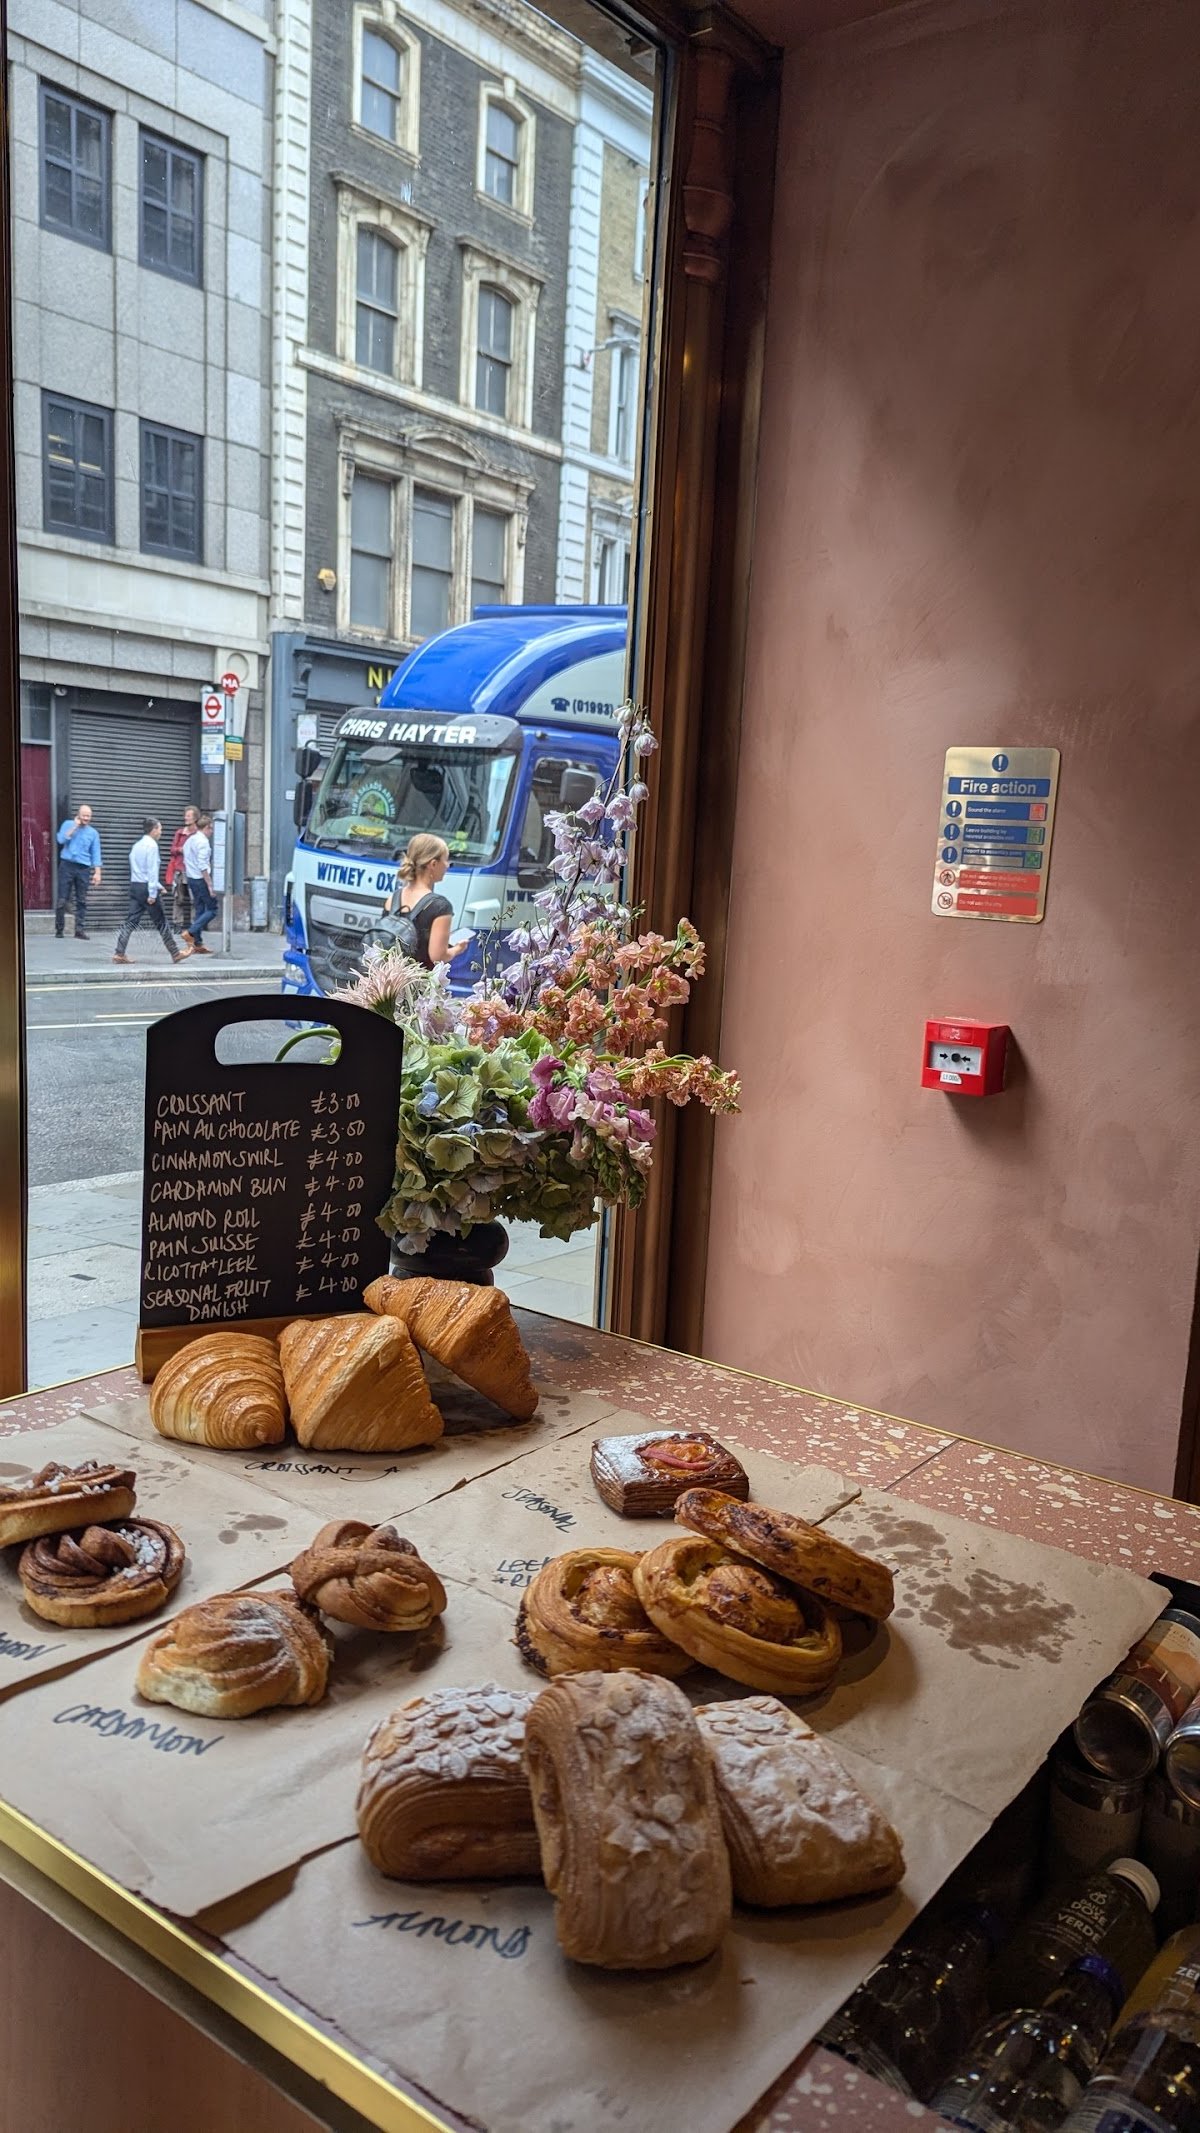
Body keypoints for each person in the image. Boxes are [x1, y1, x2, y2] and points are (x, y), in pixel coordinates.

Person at [384, 834, 472, 970]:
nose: (447, 865)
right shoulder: (440, 907)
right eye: (446, 860)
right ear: (433, 864)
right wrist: (457, 949)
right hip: (417, 985)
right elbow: (438, 956)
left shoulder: (393, 898)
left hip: (390, 982)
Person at [112, 819, 194, 965]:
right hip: (146, 889)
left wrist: (157, 885)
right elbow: (151, 870)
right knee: (161, 922)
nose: (161, 832)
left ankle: (119, 952)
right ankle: (175, 954)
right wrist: (152, 893)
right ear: (154, 829)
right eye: (160, 829)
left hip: (136, 886)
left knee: (130, 921)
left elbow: (139, 870)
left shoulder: (136, 846)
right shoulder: (152, 846)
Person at [54, 804, 102, 939]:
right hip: (67, 865)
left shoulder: (93, 833)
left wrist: (97, 872)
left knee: (82, 900)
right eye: (84, 815)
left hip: (83, 868)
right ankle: (59, 929)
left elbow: (96, 853)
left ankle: (79, 930)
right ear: (78, 815)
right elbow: (61, 839)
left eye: (89, 816)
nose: (86, 818)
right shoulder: (68, 824)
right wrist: (74, 826)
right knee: (62, 899)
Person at [181, 812, 217, 953]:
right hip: (200, 879)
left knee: (200, 909)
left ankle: (197, 942)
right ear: (207, 827)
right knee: (213, 909)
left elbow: (185, 854)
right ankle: (191, 932)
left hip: (191, 877)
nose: (212, 832)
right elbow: (203, 866)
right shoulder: (203, 843)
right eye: (211, 828)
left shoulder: (191, 839)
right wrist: (210, 885)